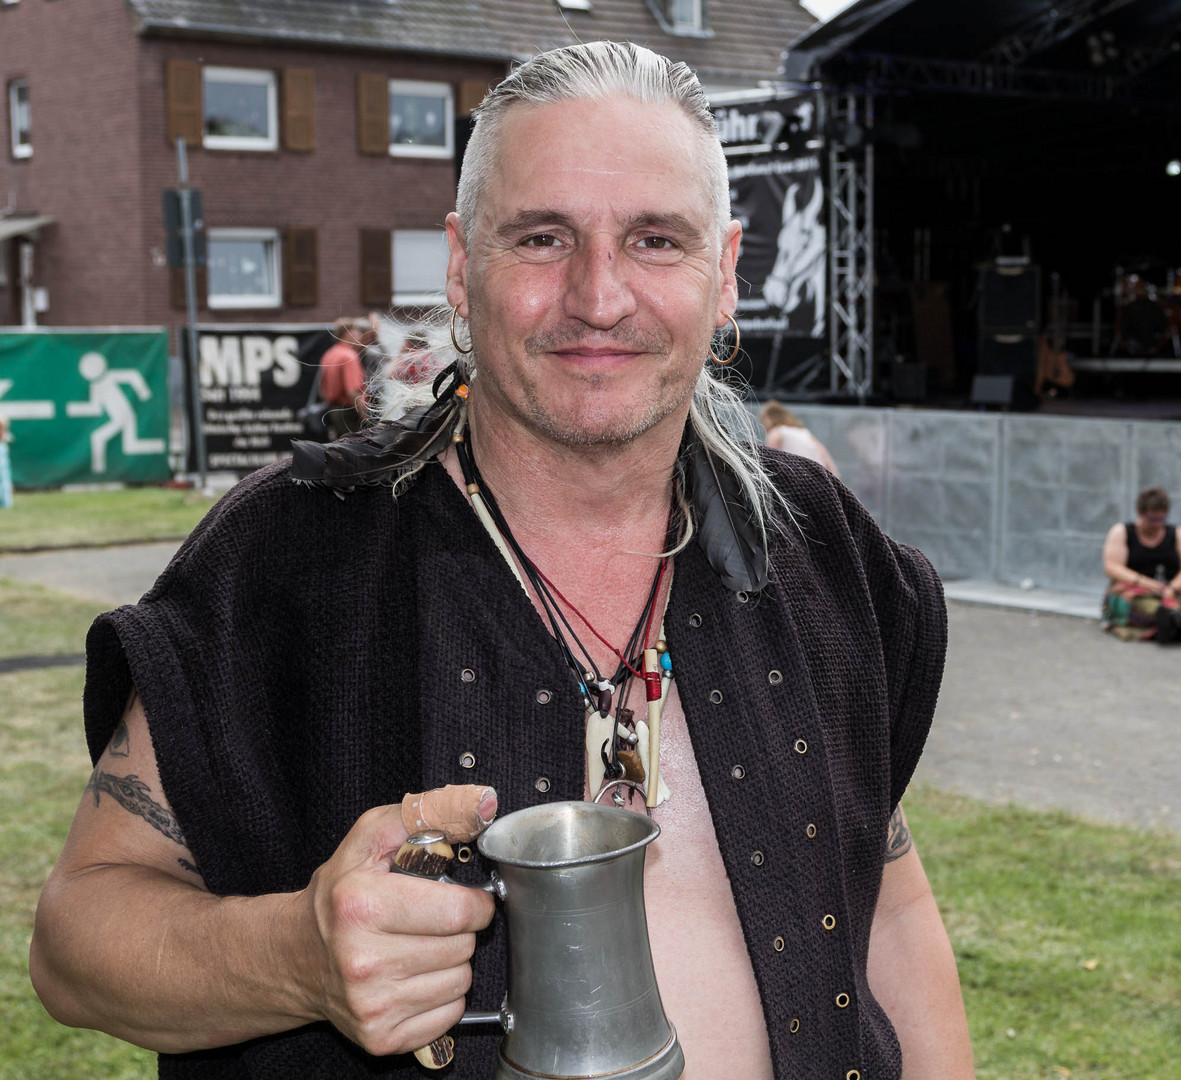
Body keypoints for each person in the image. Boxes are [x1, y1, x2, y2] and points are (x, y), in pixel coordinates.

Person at [30, 42, 972, 1080]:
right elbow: (76, 943)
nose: (599, 296)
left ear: (726, 273)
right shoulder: (291, 559)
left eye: (656, 239)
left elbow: (891, 910)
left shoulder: (819, 553)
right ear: (461, 264)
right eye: (542, 237)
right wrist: (295, 957)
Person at [1100, 486, 1181, 642]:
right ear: (1140, 513)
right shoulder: (1122, 532)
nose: (1156, 524)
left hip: (1167, 589)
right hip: (1134, 589)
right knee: (1146, 607)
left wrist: (1173, 588)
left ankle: (1172, 622)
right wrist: (1144, 582)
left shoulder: (1177, 533)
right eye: (1151, 519)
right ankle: (1164, 623)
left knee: (1176, 608)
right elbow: (1111, 567)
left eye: (1161, 519)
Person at [316, 317, 373, 439]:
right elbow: (352, 392)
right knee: (357, 451)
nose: (359, 336)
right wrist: (365, 417)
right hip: (349, 413)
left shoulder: (329, 354)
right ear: (347, 334)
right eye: (356, 332)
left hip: (333, 412)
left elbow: (322, 390)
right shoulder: (349, 356)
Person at [758, 398, 840, 476]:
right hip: (818, 478)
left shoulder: (776, 432)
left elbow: (770, 462)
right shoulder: (803, 432)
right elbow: (827, 461)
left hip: (797, 480)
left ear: (768, 419)